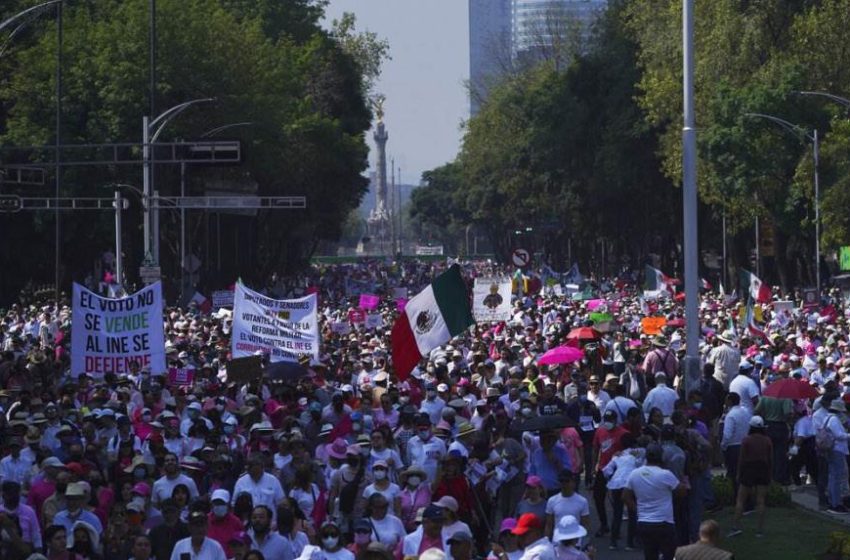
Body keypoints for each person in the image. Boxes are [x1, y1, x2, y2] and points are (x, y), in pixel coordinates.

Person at [623, 443, 685, 560]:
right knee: (669, 554)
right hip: (664, 522)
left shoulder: (635, 474)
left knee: (650, 554)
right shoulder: (665, 474)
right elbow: (681, 492)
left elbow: (625, 496)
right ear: (661, 457)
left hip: (644, 522)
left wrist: (637, 510)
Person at [729, 416, 773, 537]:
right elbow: (770, 459)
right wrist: (770, 474)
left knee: (740, 499)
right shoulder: (767, 440)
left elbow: (742, 459)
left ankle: (735, 526)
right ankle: (759, 530)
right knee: (761, 500)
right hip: (763, 469)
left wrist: (739, 473)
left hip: (748, 469)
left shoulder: (746, 440)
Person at [543, 471, 590, 545]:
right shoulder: (552, 501)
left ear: (573, 482)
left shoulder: (582, 501)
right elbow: (549, 525)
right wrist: (546, 542)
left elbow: (585, 524)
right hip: (557, 543)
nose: (564, 484)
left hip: (575, 544)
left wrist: (582, 542)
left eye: (567, 481)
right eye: (561, 481)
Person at [207, 489, 245, 557]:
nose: (218, 506)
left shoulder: (236, 522)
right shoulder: (205, 520)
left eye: (221, 503)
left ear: (228, 504)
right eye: (216, 503)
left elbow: (242, 544)